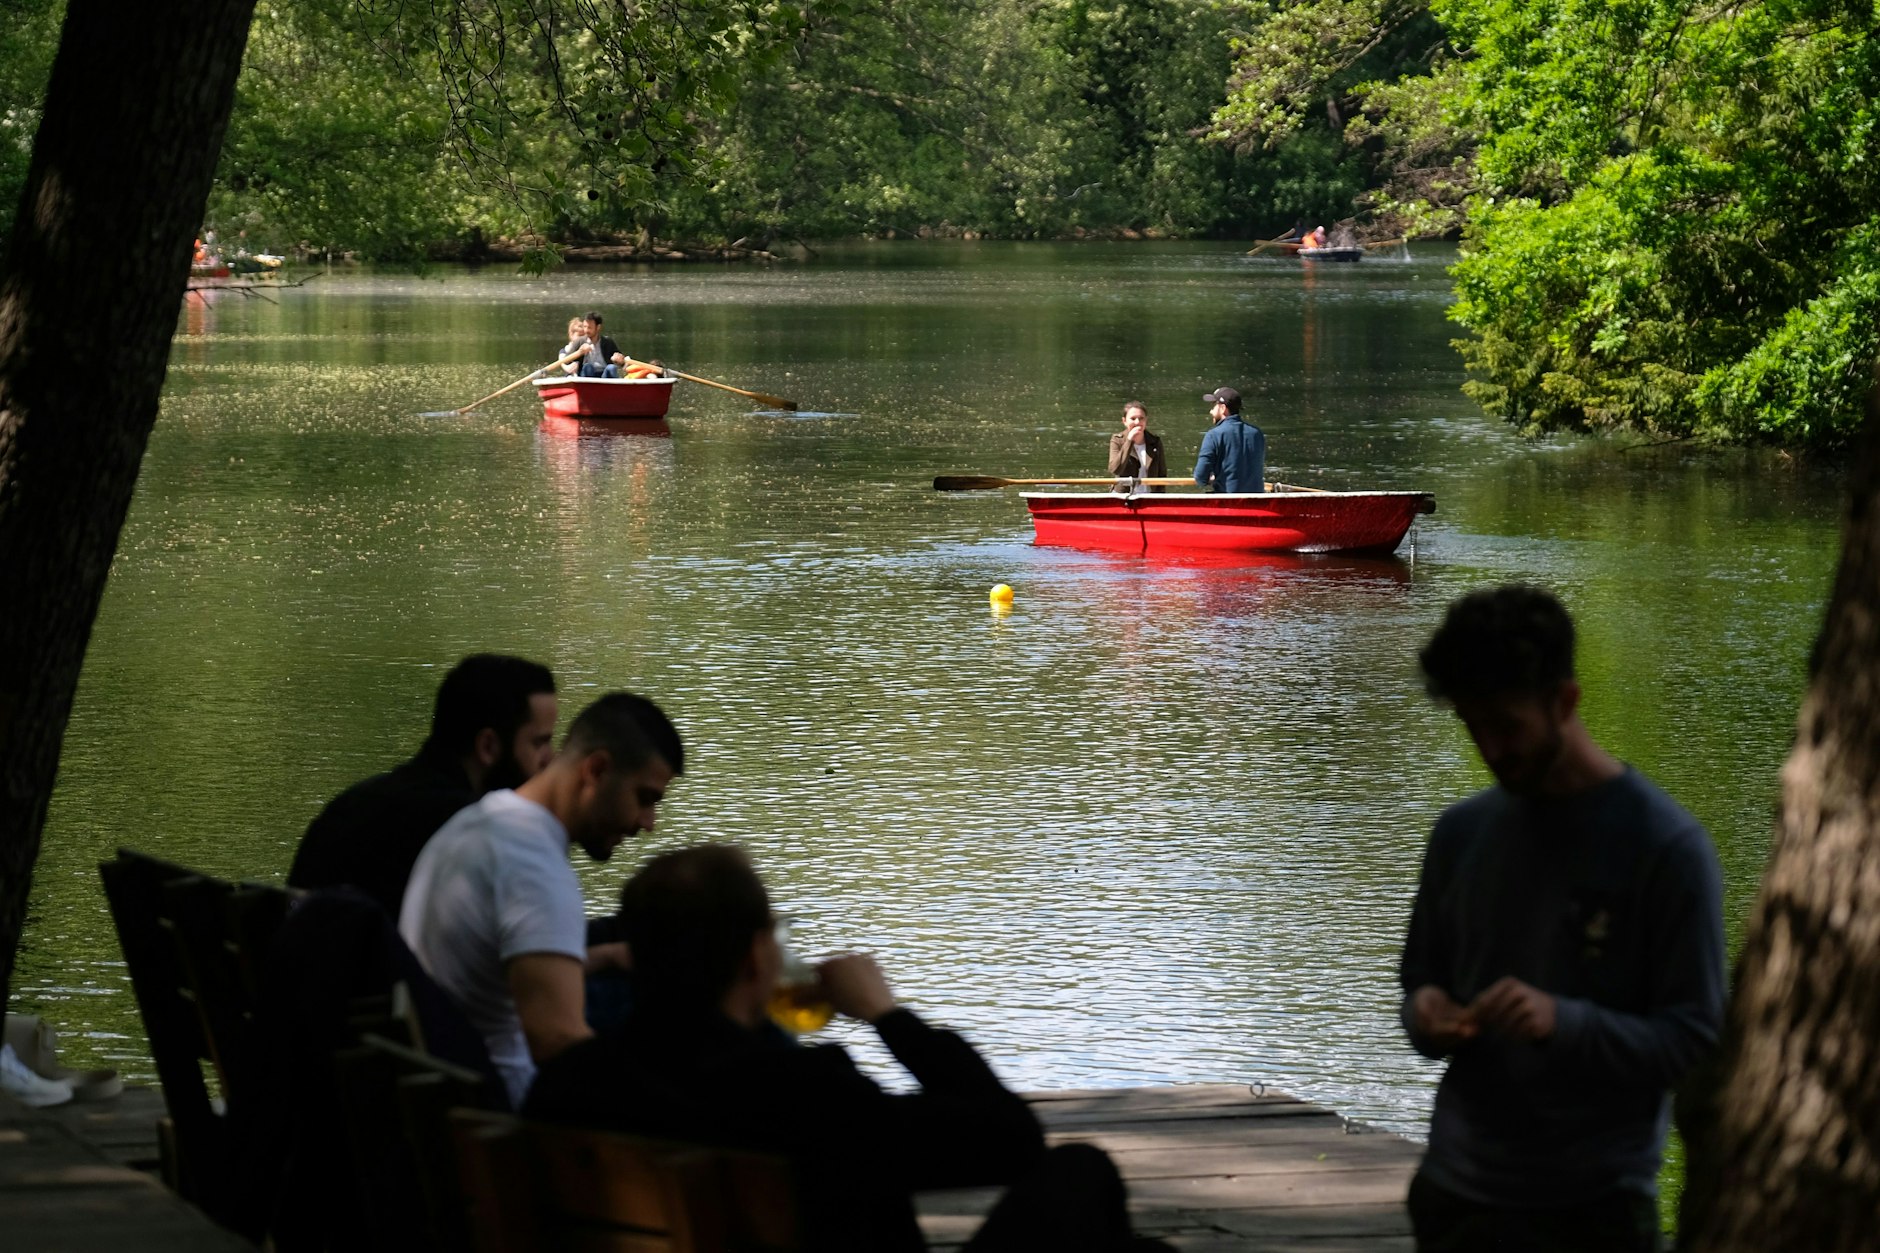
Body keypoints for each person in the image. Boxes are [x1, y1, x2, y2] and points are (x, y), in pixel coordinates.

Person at [526, 845, 1172, 1252]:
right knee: (1081, 1171)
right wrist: (889, 1017)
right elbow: (1010, 1138)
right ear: (757, 957)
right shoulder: (804, 1093)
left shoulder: (570, 1084)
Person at [1400, 585, 1726, 1253]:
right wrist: (1427, 1013)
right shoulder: (1459, 834)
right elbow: (1419, 989)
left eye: (1508, 725)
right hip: (1454, 1194)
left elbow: (1694, 1041)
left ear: (1567, 702)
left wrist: (1562, 1021)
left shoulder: (1665, 847)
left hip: (1592, 1211)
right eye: (1473, 723)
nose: (1490, 747)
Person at [399, 692, 678, 1107]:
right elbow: (558, 1042)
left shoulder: (483, 819)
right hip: (504, 1119)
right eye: (645, 798)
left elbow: (496, 966)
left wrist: (606, 957)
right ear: (597, 770)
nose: (648, 824)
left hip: (448, 1073)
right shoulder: (535, 871)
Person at [288, 654, 558, 918]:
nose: (550, 760)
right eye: (539, 743)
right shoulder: (474, 828)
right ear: (487, 746)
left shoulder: (352, 804)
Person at [1193, 386, 1266, 494]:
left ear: (1222, 408)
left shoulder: (1213, 435)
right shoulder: (1257, 433)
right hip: (1257, 503)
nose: (1211, 411)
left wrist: (1210, 478)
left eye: (1214, 406)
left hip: (1227, 502)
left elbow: (1200, 477)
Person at [1107, 400, 1167, 492]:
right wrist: (1129, 441)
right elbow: (1115, 469)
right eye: (1133, 418)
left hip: (1150, 496)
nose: (1137, 422)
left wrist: (1159, 499)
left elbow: (1162, 475)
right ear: (1124, 421)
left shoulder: (1155, 442)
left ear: (1146, 420)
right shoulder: (1117, 440)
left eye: (1141, 418)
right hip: (1123, 496)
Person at [577, 311, 628, 378]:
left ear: (598, 327)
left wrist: (620, 360)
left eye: (589, 328)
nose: (586, 330)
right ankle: (588, 388)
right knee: (588, 366)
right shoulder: (579, 341)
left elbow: (622, 362)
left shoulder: (608, 342)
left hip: (604, 375)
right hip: (587, 375)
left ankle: (616, 387)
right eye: (584, 327)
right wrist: (579, 352)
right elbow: (568, 360)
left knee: (611, 367)